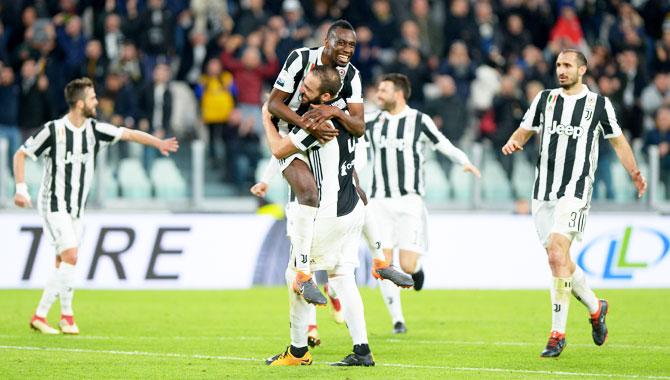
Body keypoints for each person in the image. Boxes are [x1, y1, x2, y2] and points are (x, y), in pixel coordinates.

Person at [502, 49, 647, 357]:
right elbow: (525, 130)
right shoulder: (544, 99)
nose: (561, 70)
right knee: (561, 262)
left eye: (567, 65)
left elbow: (618, 140)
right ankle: (596, 308)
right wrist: (515, 141)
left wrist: (634, 172)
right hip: (543, 192)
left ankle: (557, 334)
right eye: (558, 65)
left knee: (556, 254)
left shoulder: (598, 105)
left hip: (576, 190)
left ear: (582, 69)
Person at [14, 77, 179, 335]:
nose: (96, 101)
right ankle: (67, 317)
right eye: (92, 98)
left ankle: (40, 315)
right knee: (71, 254)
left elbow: (129, 134)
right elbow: (21, 154)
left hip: (78, 209)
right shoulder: (53, 130)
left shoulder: (94, 130)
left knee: (63, 261)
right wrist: (21, 189)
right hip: (53, 205)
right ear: (80, 104)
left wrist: (157, 143)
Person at [262, 65, 373, 366]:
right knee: (343, 278)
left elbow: (279, 149)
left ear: (325, 96)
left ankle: (298, 351)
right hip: (351, 209)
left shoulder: (315, 120)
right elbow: (360, 131)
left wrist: (266, 119)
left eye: (308, 89)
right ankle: (362, 350)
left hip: (326, 213)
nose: (301, 92)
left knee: (295, 276)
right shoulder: (346, 115)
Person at [366, 73, 481, 334]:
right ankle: (397, 319)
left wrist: (464, 161)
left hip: (409, 202)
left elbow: (443, 144)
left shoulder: (419, 121)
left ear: (398, 94)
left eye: (383, 91)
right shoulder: (371, 120)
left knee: (406, 265)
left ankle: (416, 270)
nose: (378, 95)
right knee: (383, 263)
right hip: (379, 202)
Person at [264, 19, 367, 305]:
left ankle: (380, 258)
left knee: (357, 192)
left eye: (352, 45)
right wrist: (306, 124)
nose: (347, 49)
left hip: (319, 138)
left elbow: (359, 126)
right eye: (341, 43)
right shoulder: (300, 58)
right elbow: (274, 104)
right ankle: (303, 272)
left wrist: (334, 111)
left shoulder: (353, 75)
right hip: (288, 133)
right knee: (308, 193)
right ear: (327, 41)